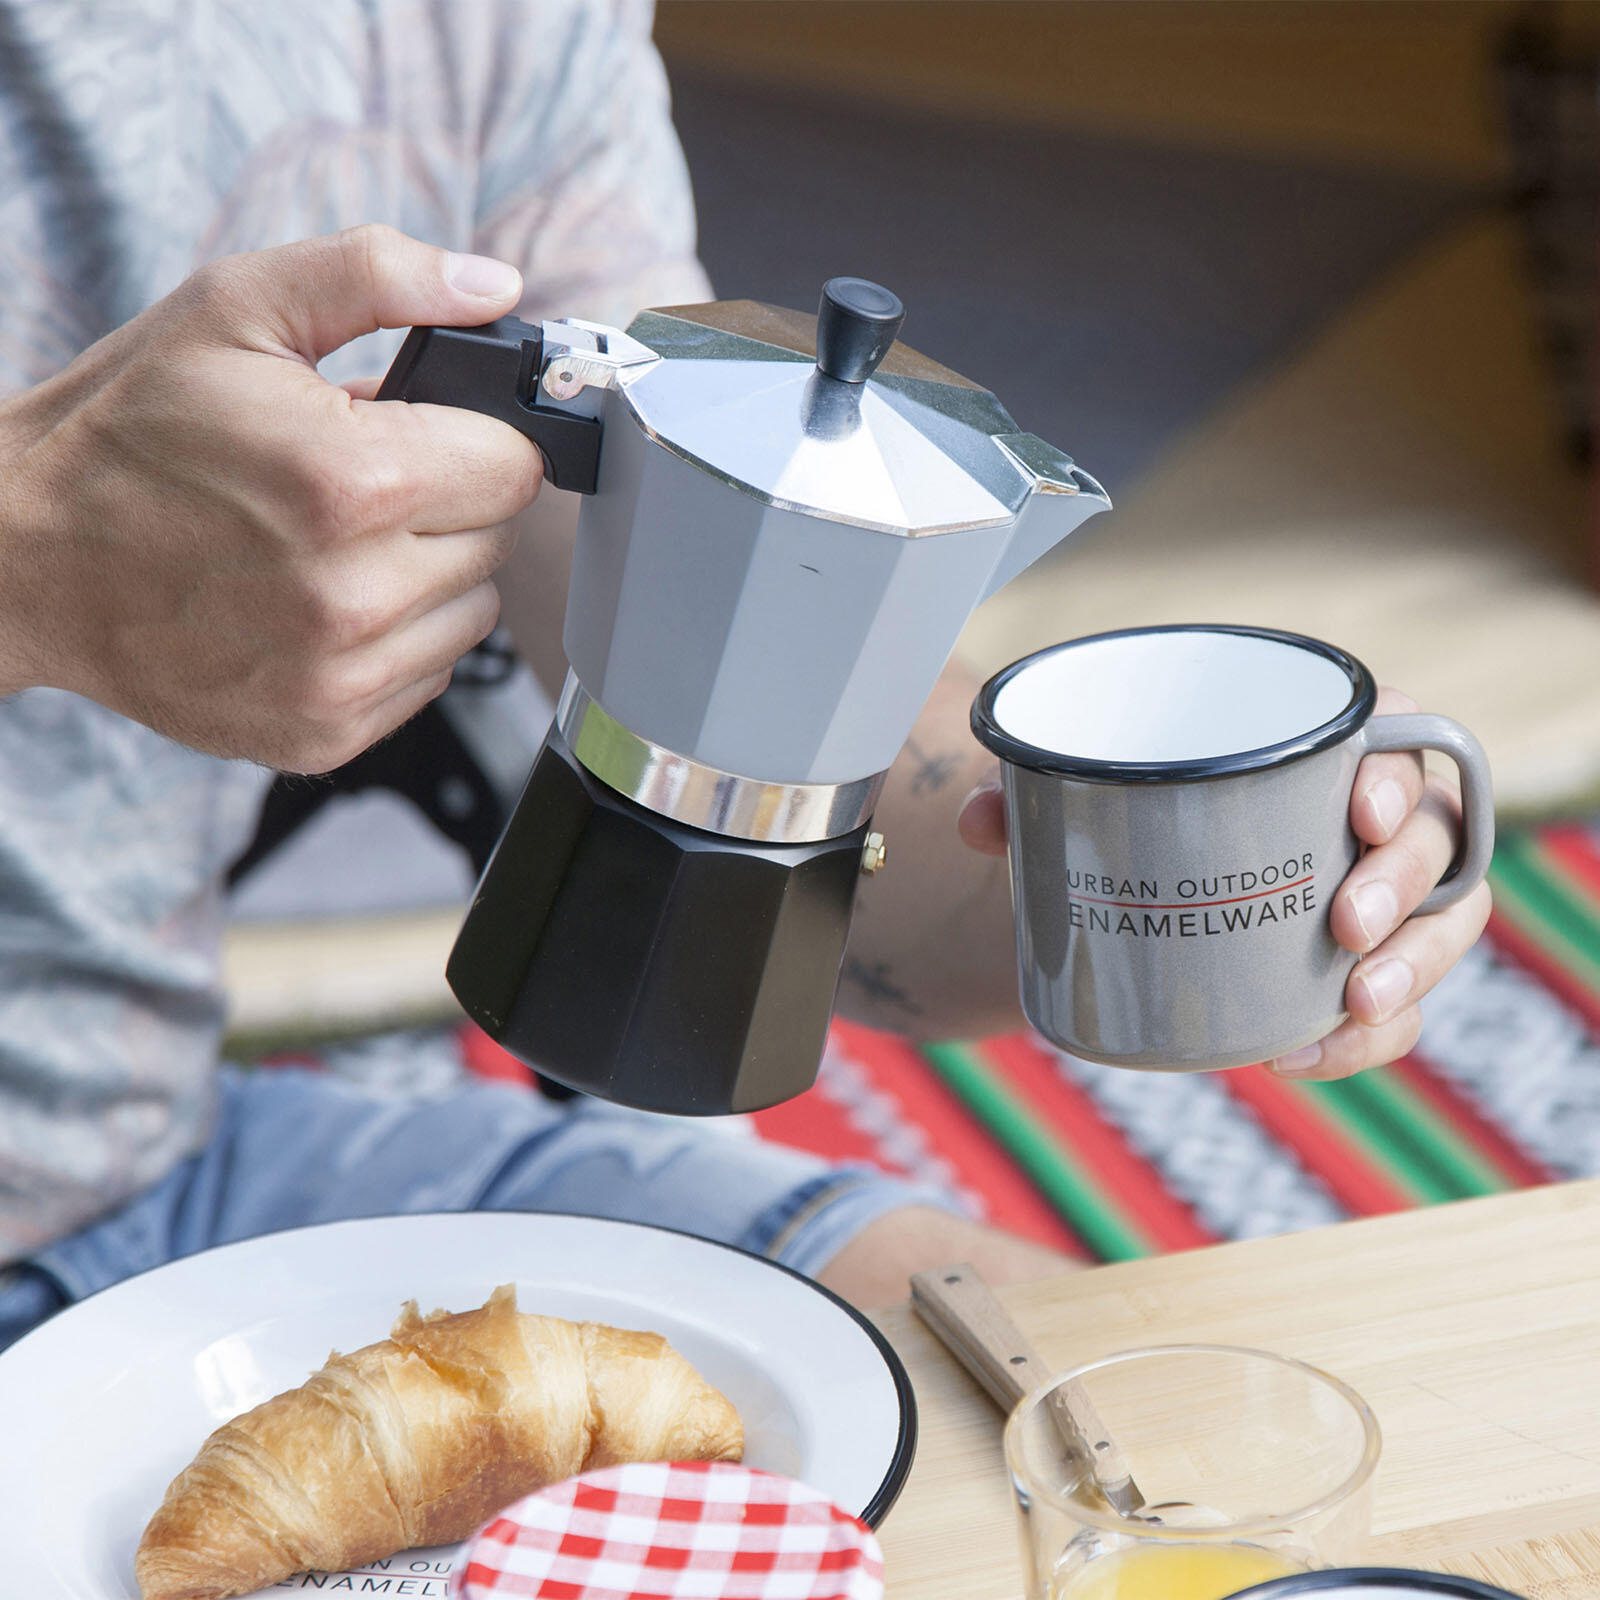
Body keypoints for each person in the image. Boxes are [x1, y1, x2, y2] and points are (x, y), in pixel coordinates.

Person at [0, 1, 1489, 1349]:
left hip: (149, 1176)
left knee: (1108, 1400)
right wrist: (37, 556)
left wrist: (1211, 868)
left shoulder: (503, 27)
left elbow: (828, 745)